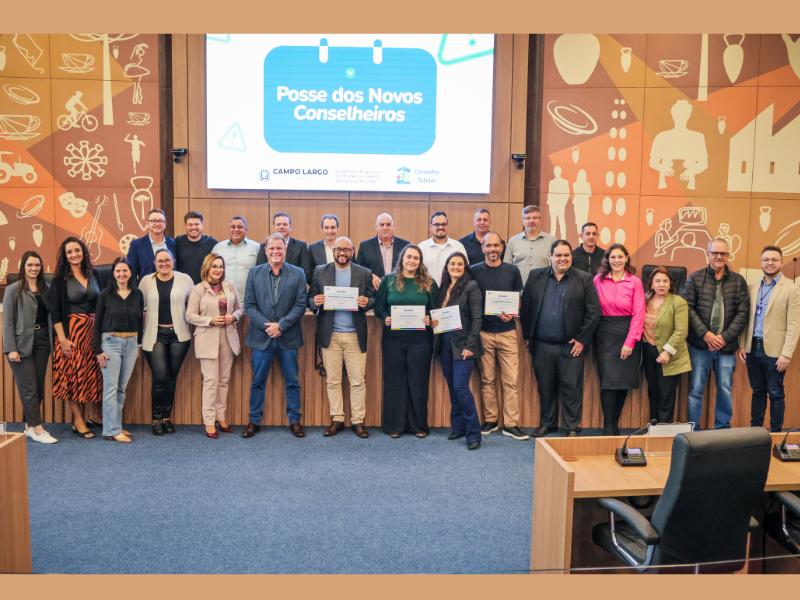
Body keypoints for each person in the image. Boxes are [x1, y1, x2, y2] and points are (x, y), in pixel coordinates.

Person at [520, 240, 600, 437]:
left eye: (567, 255)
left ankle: (572, 426)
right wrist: (527, 336)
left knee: (571, 389)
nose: (563, 259)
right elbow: (527, 308)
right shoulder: (536, 276)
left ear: (571, 258)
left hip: (571, 346)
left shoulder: (584, 279)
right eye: (558, 255)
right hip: (542, 345)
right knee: (545, 388)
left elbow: (593, 312)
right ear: (551, 257)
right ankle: (548, 423)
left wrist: (582, 339)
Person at [308, 237, 375, 438]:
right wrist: (315, 301)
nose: (342, 253)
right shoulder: (320, 271)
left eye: (346, 249)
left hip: (355, 335)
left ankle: (358, 421)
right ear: (333, 251)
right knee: (333, 381)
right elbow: (310, 299)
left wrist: (366, 301)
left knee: (357, 381)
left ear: (353, 251)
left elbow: (373, 299)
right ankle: (337, 419)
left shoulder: (364, 273)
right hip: (331, 334)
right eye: (338, 249)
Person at [243, 233, 308, 438]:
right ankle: (254, 421)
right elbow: (249, 305)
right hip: (261, 338)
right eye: (271, 249)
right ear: (266, 251)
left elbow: (300, 305)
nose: (275, 252)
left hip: (287, 337)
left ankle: (295, 420)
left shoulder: (298, 274)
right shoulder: (254, 273)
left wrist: (281, 325)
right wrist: (267, 326)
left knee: (292, 381)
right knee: (257, 381)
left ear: (285, 250)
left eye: (279, 248)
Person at [682, 237, 749, 429]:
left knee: (725, 390)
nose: (719, 256)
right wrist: (706, 334)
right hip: (699, 346)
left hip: (726, 347)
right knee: (695, 389)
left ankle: (722, 429)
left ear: (728, 255)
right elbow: (687, 307)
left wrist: (723, 337)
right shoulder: (695, 278)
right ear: (708, 254)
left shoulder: (738, 281)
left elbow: (742, 313)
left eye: (723, 253)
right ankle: (693, 430)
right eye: (715, 253)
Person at [374, 244, 438, 438]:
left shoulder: (428, 282)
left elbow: (435, 311)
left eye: (416, 258)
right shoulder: (388, 280)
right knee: (395, 382)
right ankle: (395, 425)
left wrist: (429, 318)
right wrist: (385, 317)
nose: (412, 261)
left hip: (420, 340)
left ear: (420, 262)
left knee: (418, 382)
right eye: (409, 257)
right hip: (393, 340)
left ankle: (418, 426)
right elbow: (379, 308)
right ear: (402, 259)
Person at [470, 232, 528, 440]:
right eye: (488, 246)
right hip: (483, 333)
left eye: (496, 246)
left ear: (502, 248)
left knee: (511, 381)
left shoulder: (512, 271)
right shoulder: (474, 271)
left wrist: (512, 313)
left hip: (507, 333)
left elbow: (518, 301)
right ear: (483, 248)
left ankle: (511, 424)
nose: (492, 249)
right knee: (487, 380)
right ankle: (491, 419)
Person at [738, 246, 800, 432]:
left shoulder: (792, 288)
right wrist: (742, 344)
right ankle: (755, 433)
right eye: (766, 259)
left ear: (781, 262)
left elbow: (794, 324)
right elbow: (746, 318)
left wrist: (786, 355)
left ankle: (775, 434)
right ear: (761, 262)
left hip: (776, 351)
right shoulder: (752, 287)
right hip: (752, 347)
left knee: (775, 393)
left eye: (774, 259)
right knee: (757, 392)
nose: (770, 263)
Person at [50, 237, 103, 438]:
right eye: (69, 252)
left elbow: (101, 302)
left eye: (77, 250)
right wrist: (62, 339)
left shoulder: (94, 273)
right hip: (71, 333)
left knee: (91, 376)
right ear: (65, 256)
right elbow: (55, 312)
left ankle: (93, 415)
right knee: (73, 377)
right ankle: (77, 420)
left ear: (83, 252)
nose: (74, 255)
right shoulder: (59, 279)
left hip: (92, 332)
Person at [186, 253, 243, 438]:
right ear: (207, 268)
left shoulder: (229, 286)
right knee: (211, 381)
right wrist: (210, 320)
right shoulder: (198, 289)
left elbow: (240, 308)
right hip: (207, 338)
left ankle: (221, 416)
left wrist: (233, 317)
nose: (218, 269)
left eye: (221, 266)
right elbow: (190, 316)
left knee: (224, 380)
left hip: (228, 337)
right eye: (214, 266)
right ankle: (209, 421)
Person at [3, 251, 56, 444]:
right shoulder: (13, 289)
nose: (34, 268)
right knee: (29, 389)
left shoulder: (46, 288)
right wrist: (11, 348)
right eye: (30, 265)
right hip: (21, 343)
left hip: (42, 340)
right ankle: (38, 429)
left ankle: (28, 426)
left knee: (38, 388)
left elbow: (52, 316)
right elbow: (7, 322)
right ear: (23, 266)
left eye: (37, 265)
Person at [139, 248, 194, 435]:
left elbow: (194, 304)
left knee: (171, 378)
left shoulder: (185, 279)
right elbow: (140, 308)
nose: (163, 263)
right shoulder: (146, 281)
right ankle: (155, 419)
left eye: (167, 260)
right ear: (154, 263)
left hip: (179, 335)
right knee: (160, 377)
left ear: (173, 261)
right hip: (155, 335)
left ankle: (166, 417)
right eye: (159, 261)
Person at [593, 244, 646, 435]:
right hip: (604, 334)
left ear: (626, 258)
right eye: (612, 257)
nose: (616, 260)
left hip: (627, 333)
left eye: (620, 257)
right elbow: (592, 308)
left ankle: (615, 424)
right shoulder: (598, 280)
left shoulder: (635, 282)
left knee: (622, 382)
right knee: (608, 381)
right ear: (607, 259)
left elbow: (639, 313)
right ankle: (608, 426)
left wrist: (630, 342)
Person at [433, 252, 483, 450]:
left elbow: (477, 318)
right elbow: (439, 315)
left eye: (459, 264)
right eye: (452, 264)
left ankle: (474, 434)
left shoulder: (472, 287)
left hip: (464, 346)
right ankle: (458, 426)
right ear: (447, 267)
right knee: (453, 388)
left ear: (465, 267)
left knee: (461, 388)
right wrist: (433, 321)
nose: (455, 267)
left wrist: (470, 346)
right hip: (444, 344)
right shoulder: (443, 287)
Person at [94, 257, 144, 443]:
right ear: (113, 274)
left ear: (131, 273)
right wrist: (97, 350)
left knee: (121, 388)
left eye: (125, 271)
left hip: (131, 343)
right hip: (110, 343)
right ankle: (112, 430)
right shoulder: (105, 295)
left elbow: (140, 322)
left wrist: (138, 345)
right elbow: (97, 323)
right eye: (118, 271)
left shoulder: (138, 294)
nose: (122, 274)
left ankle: (116, 425)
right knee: (111, 388)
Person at [642, 266, 691, 424]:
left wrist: (667, 352)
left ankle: (663, 431)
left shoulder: (678, 301)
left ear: (670, 284)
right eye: (657, 281)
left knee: (666, 394)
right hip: (648, 350)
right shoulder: (645, 300)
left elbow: (681, 331)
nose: (661, 284)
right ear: (651, 284)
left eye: (665, 281)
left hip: (669, 354)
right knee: (653, 391)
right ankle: (654, 427)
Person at [355, 212, 410, 290]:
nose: (385, 228)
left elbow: (409, 268)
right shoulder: (365, 246)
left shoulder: (405, 245)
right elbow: (359, 269)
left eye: (388, 224)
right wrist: (371, 275)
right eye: (382, 225)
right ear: (376, 227)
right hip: (374, 292)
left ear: (394, 227)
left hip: (399, 291)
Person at [211, 215, 260, 300]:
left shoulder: (256, 247)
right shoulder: (218, 248)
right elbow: (210, 273)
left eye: (240, 227)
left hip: (249, 301)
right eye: (233, 227)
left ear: (246, 230)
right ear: (229, 229)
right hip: (222, 300)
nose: (236, 230)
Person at [256, 211, 313, 283]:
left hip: (293, 288)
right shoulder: (264, 246)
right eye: (278, 224)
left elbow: (306, 272)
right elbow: (260, 270)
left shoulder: (301, 246)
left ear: (290, 227)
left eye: (285, 224)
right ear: (273, 227)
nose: (281, 227)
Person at [504, 205, 555, 285]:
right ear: (523, 221)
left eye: (535, 218)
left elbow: (556, 267)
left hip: (544, 288)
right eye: (527, 218)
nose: (531, 221)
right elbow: (507, 268)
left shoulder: (552, 240)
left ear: (540, 220)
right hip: (520, 289)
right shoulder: (513, 241)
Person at [126, 208, 176, 282]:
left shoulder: (173, 243)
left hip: (172, 289)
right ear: (147, 224)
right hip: (146, 290)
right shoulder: (136, 245)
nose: (158, 224)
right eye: (153, 221)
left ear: (165, 224)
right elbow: (131, 273)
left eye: (161, 221)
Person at [419, 211, 467, 286]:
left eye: (443, 224)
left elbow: (466, 271)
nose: (440, 227)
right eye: (437, 224)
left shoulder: (458, 247)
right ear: (430, 227)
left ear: (447, 226)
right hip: (427, 292)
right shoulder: (421, 247)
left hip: (453, 293)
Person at [175, 210, 218, 284]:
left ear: (202, 225)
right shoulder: (178, 242)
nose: (193, 227)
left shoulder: (212, 243)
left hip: (205, 287)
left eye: (196, 224)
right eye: (190, 225)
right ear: (186, 226)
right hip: (183, 287)